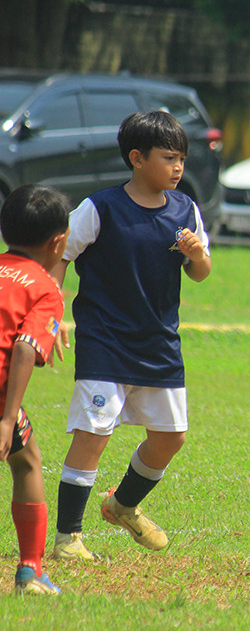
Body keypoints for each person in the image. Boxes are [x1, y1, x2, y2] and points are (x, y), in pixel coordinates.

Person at [51, 110, 212, 561]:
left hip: (159, 342)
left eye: (182, 158)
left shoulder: (186, 209)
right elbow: (61, 257)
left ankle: (122, 505)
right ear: (137, 158)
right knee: (92, 433)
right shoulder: (100, 207)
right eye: (168, 158)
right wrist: (54, 310)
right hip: (105, 340)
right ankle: (69, 538)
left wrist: (197, 255)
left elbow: (200, 274)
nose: (178, 167)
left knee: (171, 436)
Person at [0, 184, 70, 594]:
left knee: (28, 454)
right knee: (26, 463)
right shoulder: (45, 286)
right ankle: (30, 570)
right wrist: (8, 417)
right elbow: (26, 347)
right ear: (59, 241)